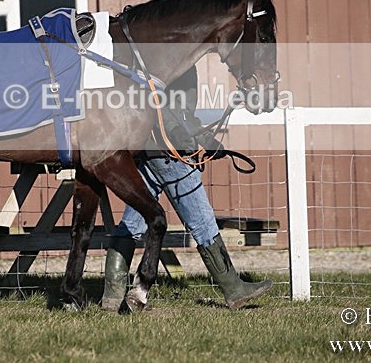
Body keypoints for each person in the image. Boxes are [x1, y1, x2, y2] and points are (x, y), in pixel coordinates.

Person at [101, 67, 272, 312]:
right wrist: (179, 136)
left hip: (149, 150)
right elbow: (159, 105)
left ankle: (113, 296)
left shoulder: (180, 63)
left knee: (134, 221)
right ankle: (234, 289)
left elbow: (184, 114)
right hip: (170, 153)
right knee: (202, 222)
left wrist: (209, 142)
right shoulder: (169, 61)